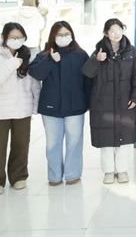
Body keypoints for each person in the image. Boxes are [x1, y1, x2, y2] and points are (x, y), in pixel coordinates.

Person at [82, 19, 136, 184]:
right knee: (106, 139)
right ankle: (109, 171)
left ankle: (122, 170)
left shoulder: (131, 52)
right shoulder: (99, 51)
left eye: (119, 29)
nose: (116, 34)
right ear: (106, 33)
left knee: (124, 139)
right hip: (103, 103)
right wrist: (96, 59)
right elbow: (87, 73)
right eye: (112, 30)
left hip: (125, 103)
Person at [0, 22, 40, 196]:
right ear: (4, 38)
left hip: (22, 110)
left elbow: (34, 84)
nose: (17, 40)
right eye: (13, 37)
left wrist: (35, 106)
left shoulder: (28, 57)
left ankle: (18, 176)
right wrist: (13, 63)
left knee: (21, 145)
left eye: (20, 37)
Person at [29, 21, 90, 186]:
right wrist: (50, 59)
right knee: (53, 143)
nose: (63, 37)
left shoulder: (81, 54)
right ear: (53, 36)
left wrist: (89, 103)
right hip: (51, 107)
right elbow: (36, 73)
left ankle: (72, 174)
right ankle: (54, 176)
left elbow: (88, 80)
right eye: (60, 35)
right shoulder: (44, 55)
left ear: (72, 35)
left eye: (66, 34)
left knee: (74, 142)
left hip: (75, 106)